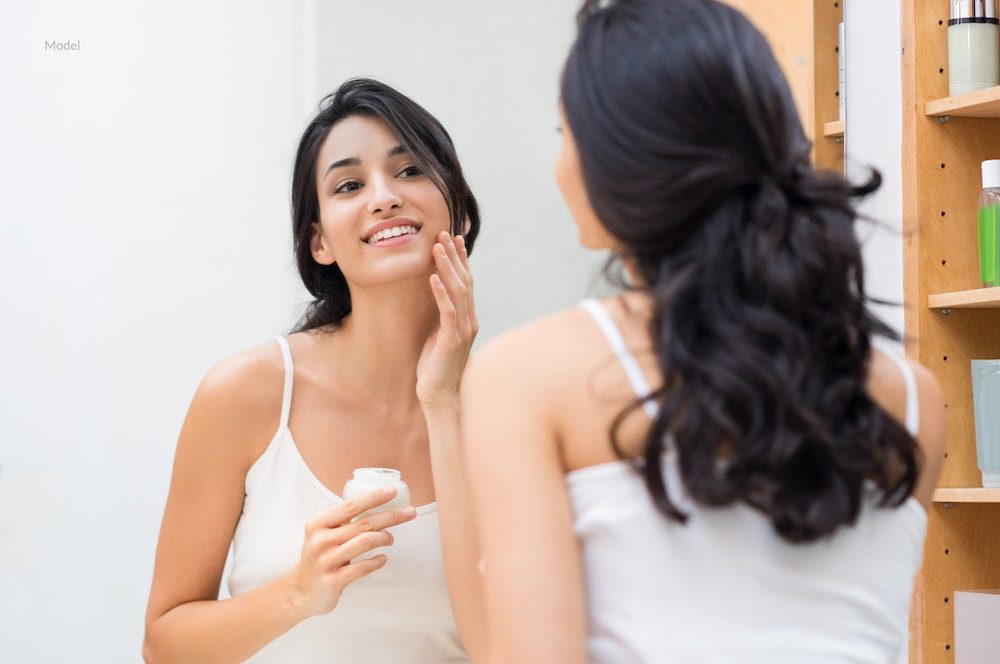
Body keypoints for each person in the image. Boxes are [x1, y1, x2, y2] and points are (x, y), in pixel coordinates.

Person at [461, 1, 946, 662]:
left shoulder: (525, 377)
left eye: (564, 132)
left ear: (623, 159)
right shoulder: (914, 402)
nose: (558, 163)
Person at [143, 78, 484, 663]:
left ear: (461, 213)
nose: (384, 198)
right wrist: (297, 594)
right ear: (319, 242)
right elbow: (163, 646)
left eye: (409, 171)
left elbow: (513, 644)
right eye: (349, 185)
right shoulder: (247, 393)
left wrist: (444, 405)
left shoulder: (511, 406)